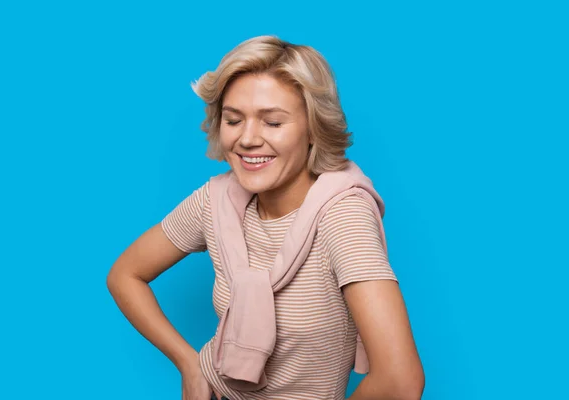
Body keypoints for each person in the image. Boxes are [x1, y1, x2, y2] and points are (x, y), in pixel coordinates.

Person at [107, 35, 425, 400]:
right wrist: (189, 364)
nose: (247, 139)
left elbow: (400, 380)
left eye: (273, 122)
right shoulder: (216, 201)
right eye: (234, 119)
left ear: (313, 130)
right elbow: (125, 275)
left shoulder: (342, 215)